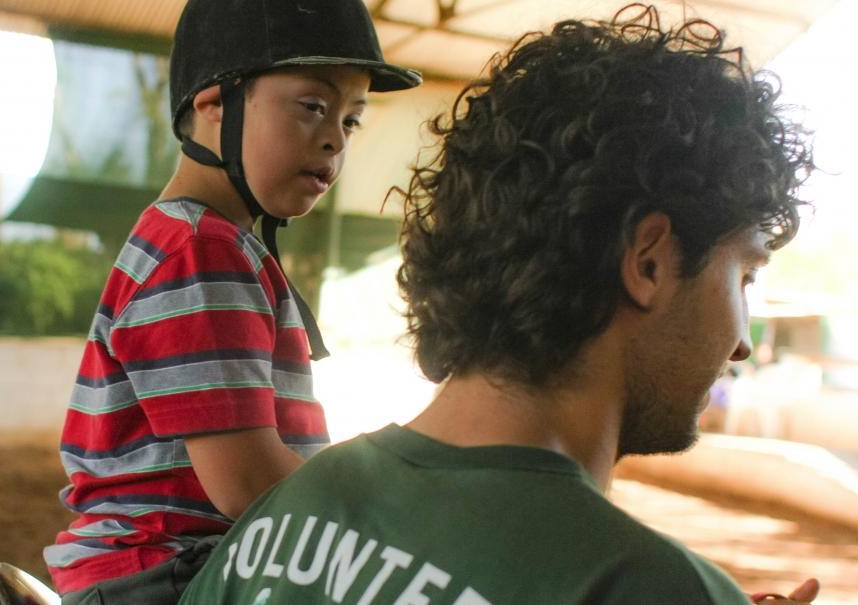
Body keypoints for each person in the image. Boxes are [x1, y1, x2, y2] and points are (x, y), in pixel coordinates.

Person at [178, 5, 822, 604]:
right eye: (745, 276)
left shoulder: (278, 513)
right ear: (648, 261)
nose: (741, 341)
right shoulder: (645, 584)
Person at [43, 1, 421, 603]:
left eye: (351, 121)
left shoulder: (212, 244)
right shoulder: (199, 250)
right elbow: (247, 481)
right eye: (313, 107)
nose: (332, 139)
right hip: (168, 572)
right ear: (215, 105)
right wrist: (371, 511)